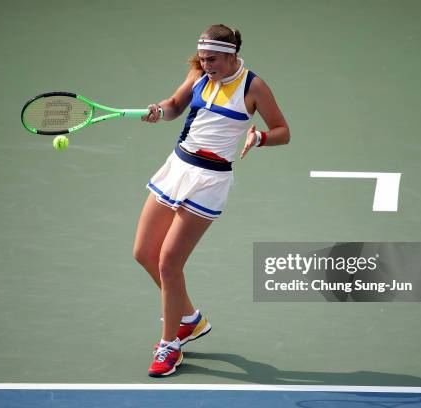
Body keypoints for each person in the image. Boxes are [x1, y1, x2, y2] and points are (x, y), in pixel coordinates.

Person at [134, 24, 290, 377]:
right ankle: (190, 319)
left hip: (209, 181)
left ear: (232, 54)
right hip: (176, 168)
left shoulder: (254, 86)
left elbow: (284, 131)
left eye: (214, 59)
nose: (207, 65)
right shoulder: (199, 73)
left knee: (169, 263)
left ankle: (169, 344)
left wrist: (261, 137)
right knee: (144, 253)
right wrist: (159, 110)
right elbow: (175, 105)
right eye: (203, 59)